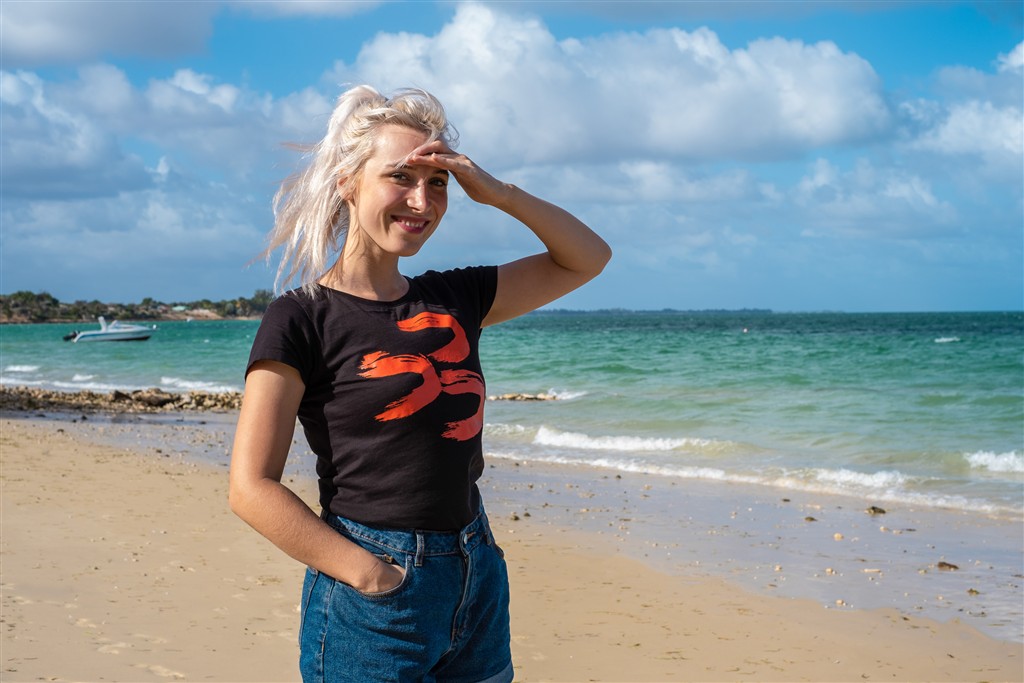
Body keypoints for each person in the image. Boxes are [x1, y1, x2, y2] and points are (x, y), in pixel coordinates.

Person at [229, 85, 611, 683]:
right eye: (400, 177)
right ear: (347, 182)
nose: (422, 200)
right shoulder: (302, 317)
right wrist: (367, 574)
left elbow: (587, 256)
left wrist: (498, 192)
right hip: (373, 596)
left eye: (438, 182)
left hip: (476, 574)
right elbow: (251, 487)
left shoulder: (457, 298)